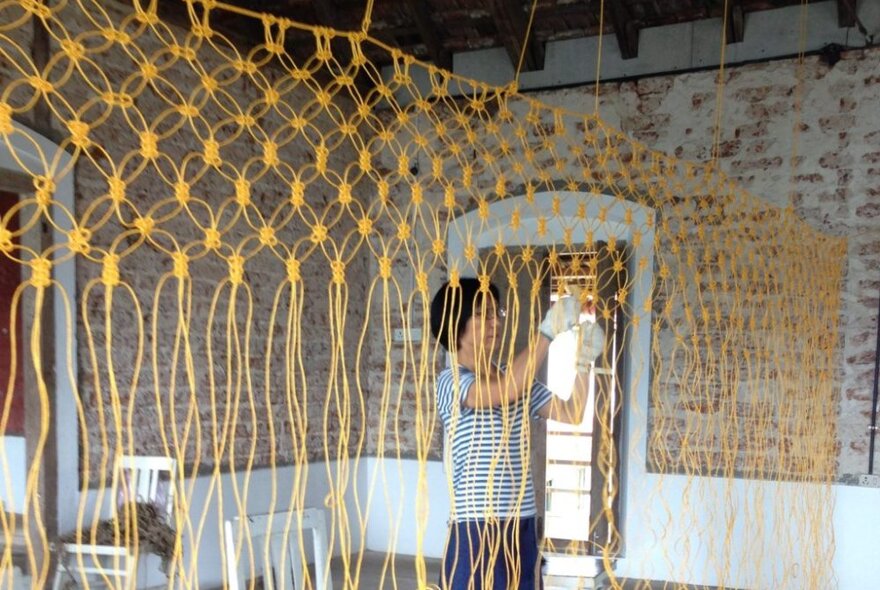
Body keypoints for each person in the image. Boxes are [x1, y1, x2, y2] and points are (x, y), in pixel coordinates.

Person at [430, 277, 606, 590]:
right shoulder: (451, 381)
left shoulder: (512, 376)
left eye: (497, 313)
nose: (494, 322)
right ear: (456, 323)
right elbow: (507, 390)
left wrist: (583, 364)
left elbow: (572, 413)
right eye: (482, 314)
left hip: (522, 522)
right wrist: (546, 333)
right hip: (477, 526)